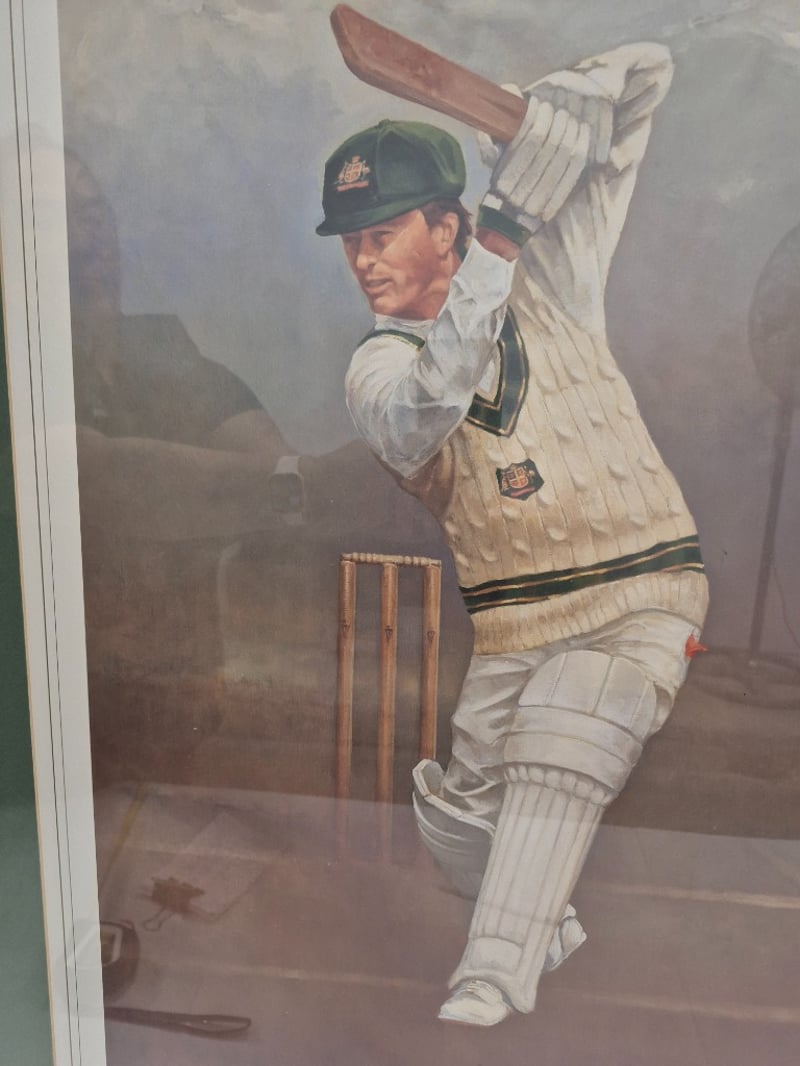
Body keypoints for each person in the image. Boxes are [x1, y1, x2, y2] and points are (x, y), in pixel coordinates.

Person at [317, 40, 710, 1028]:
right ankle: (544, 920)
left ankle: (491, 973)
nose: (362, 260)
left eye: (383, 232)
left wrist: (551, 109)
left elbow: (647, 78)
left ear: (443, 225)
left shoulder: (558, 276)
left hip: (640, 583)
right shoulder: (376, 370)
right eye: (350, 240)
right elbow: (426, 410)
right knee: (457, 821)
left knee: (574, 723)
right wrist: (497, 237)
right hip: (514, 625)